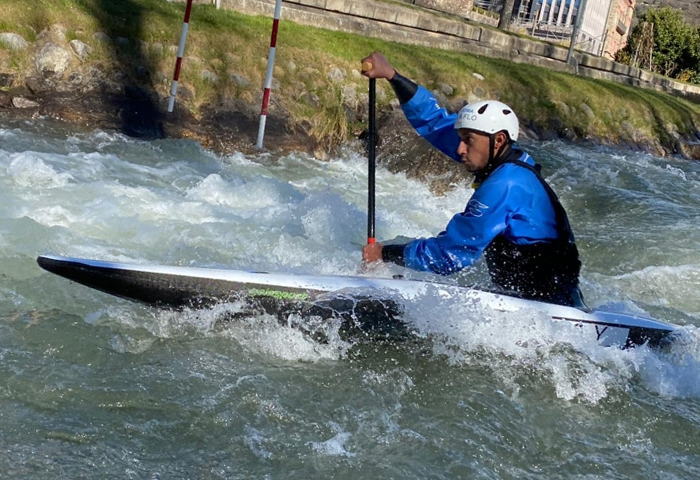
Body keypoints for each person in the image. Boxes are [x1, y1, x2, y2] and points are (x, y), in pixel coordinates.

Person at [360, 52, 584, 308]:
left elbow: (451, 254)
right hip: (523, 301)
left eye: (468, 141)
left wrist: (386, 254)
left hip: (549, 310)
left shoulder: (506, 184)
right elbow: (435, 123)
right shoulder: (499, 157)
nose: (459, 150)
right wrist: (393, 76)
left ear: (498, 140)